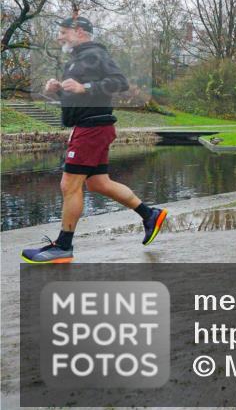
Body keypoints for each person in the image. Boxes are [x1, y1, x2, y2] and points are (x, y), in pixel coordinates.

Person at [21, 14, 167, 263]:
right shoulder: (77, 60)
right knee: (98, 183)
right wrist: (57, 92)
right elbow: (79, 99)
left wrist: (84, 87)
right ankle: (150, 214)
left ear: (79, 31)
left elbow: (119, 82)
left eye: (63, 31)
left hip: (93, 128)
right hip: (88, 126)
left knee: (69, 185)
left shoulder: (96, 54)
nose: (59, 36)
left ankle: (63, 246)